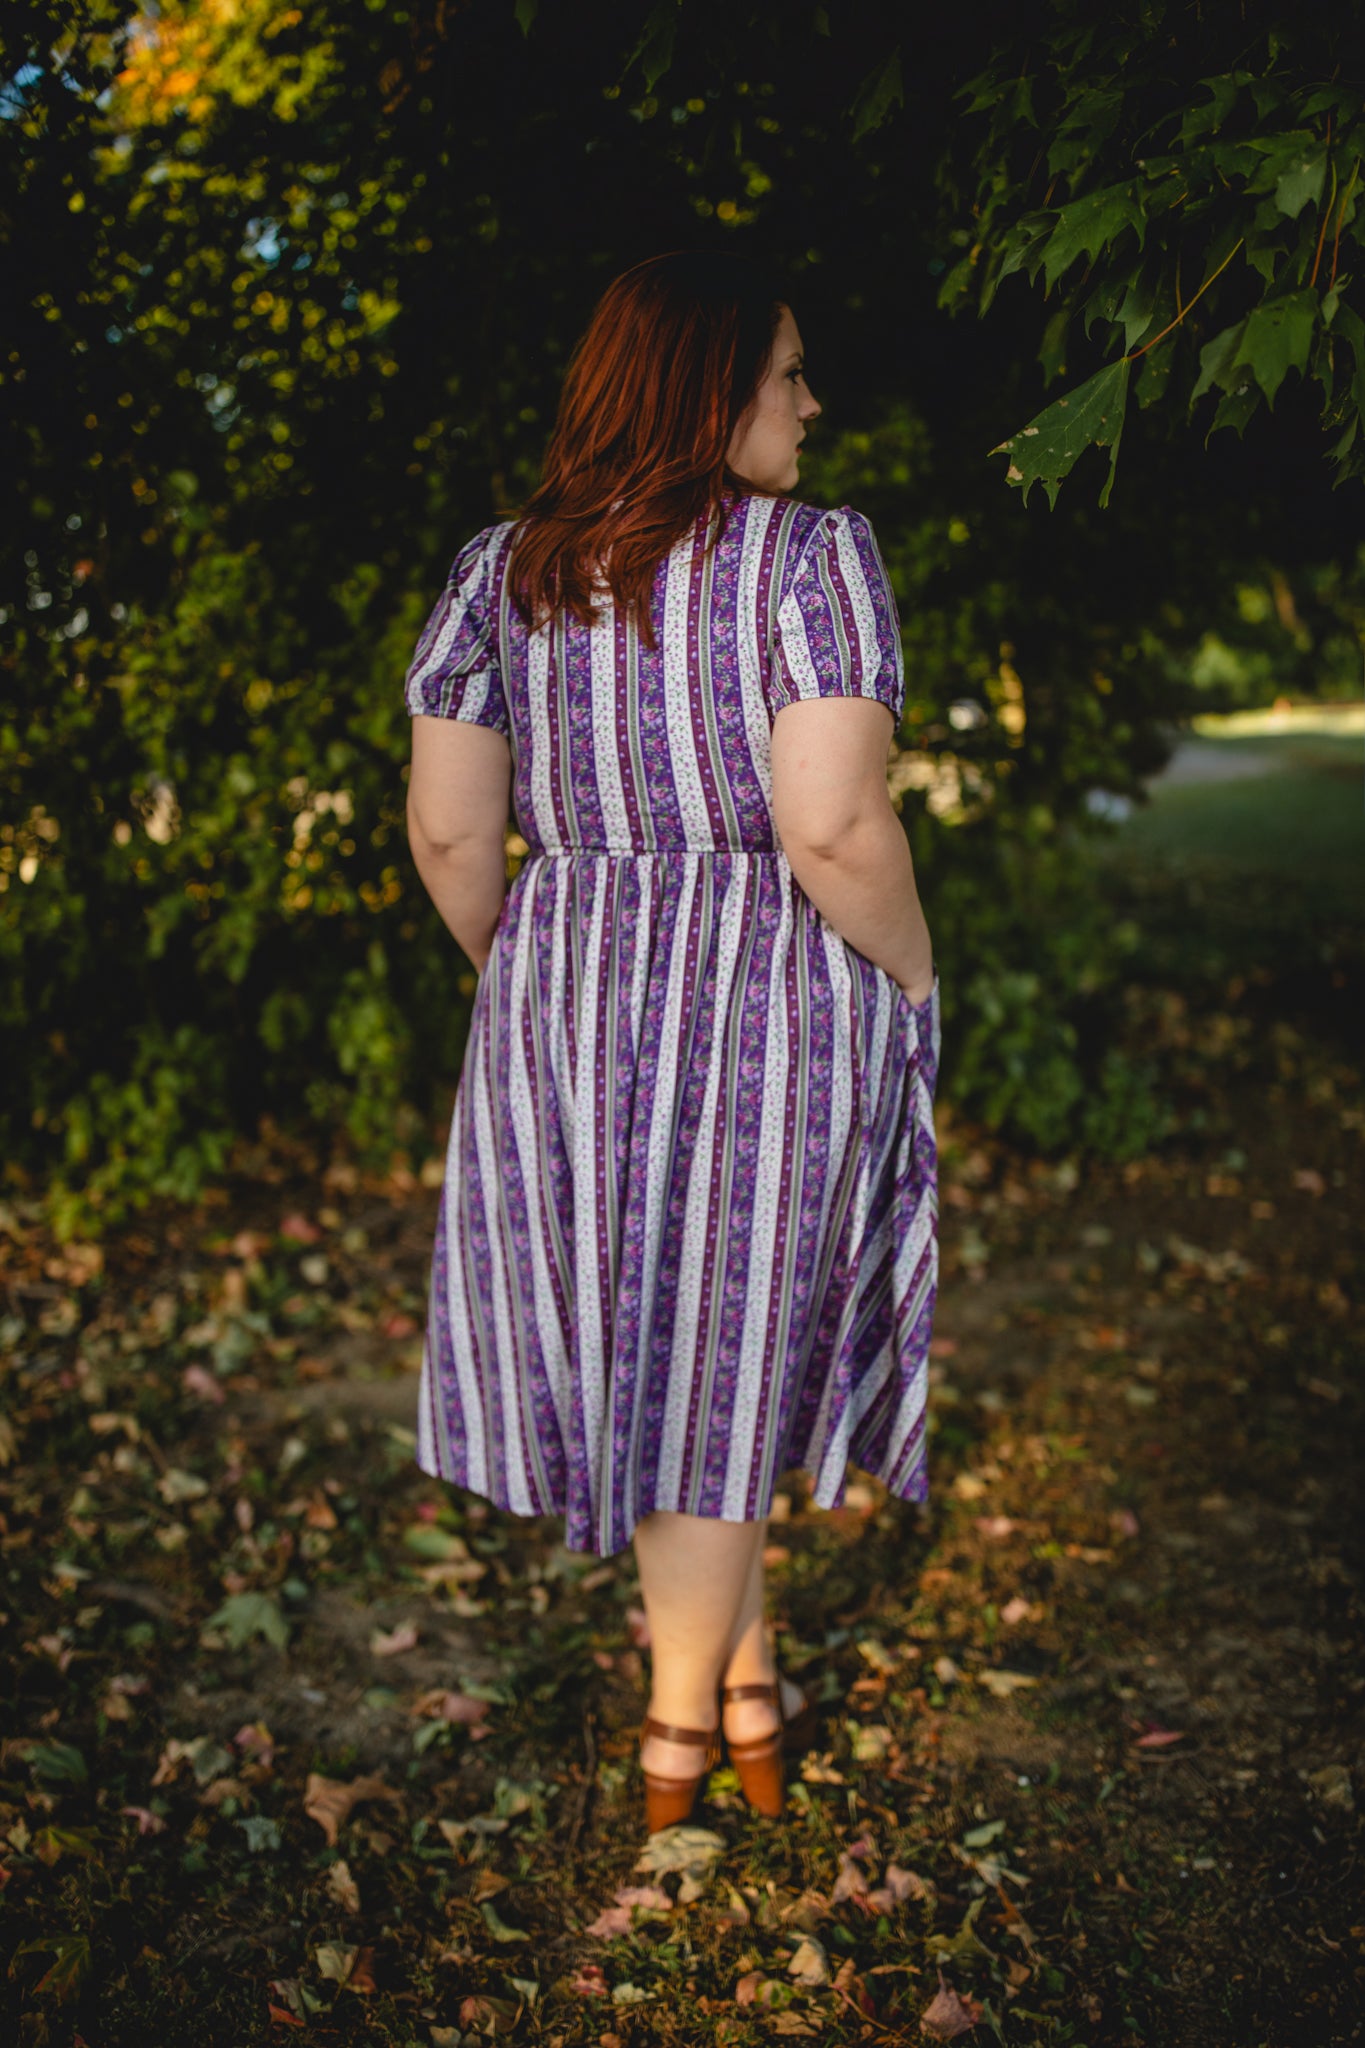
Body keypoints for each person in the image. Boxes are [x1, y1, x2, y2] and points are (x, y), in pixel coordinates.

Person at [403, 250, 940, 1834]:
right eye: (787, 372)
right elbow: (833, 826)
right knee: (712, 1355)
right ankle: (677, 1746)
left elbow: (448, 838)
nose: (811, 401)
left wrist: (545, 980)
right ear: (712, 388)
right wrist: (910, 979)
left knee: (673, 1353)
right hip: (768, 990)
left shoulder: (502, 570)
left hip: (556, 1002)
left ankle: (747, 1686)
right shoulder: (807, 561)